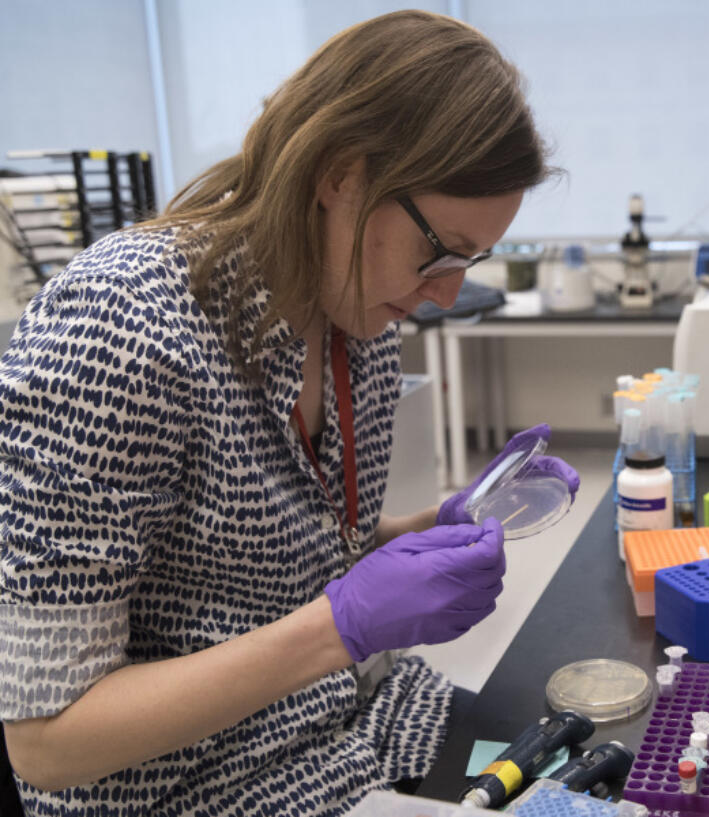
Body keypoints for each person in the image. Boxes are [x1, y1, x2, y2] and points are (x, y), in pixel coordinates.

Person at [0, 11, 578, 816]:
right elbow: (47, 740)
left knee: (613, 751)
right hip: (200, 788)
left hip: (357, 725)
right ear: (339, 175)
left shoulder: (357, 321)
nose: (448, 292)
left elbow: (266, 565)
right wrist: (341, 627)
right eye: (440, 250)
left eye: (473, 260)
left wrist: (423, 530)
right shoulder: (122, 328)